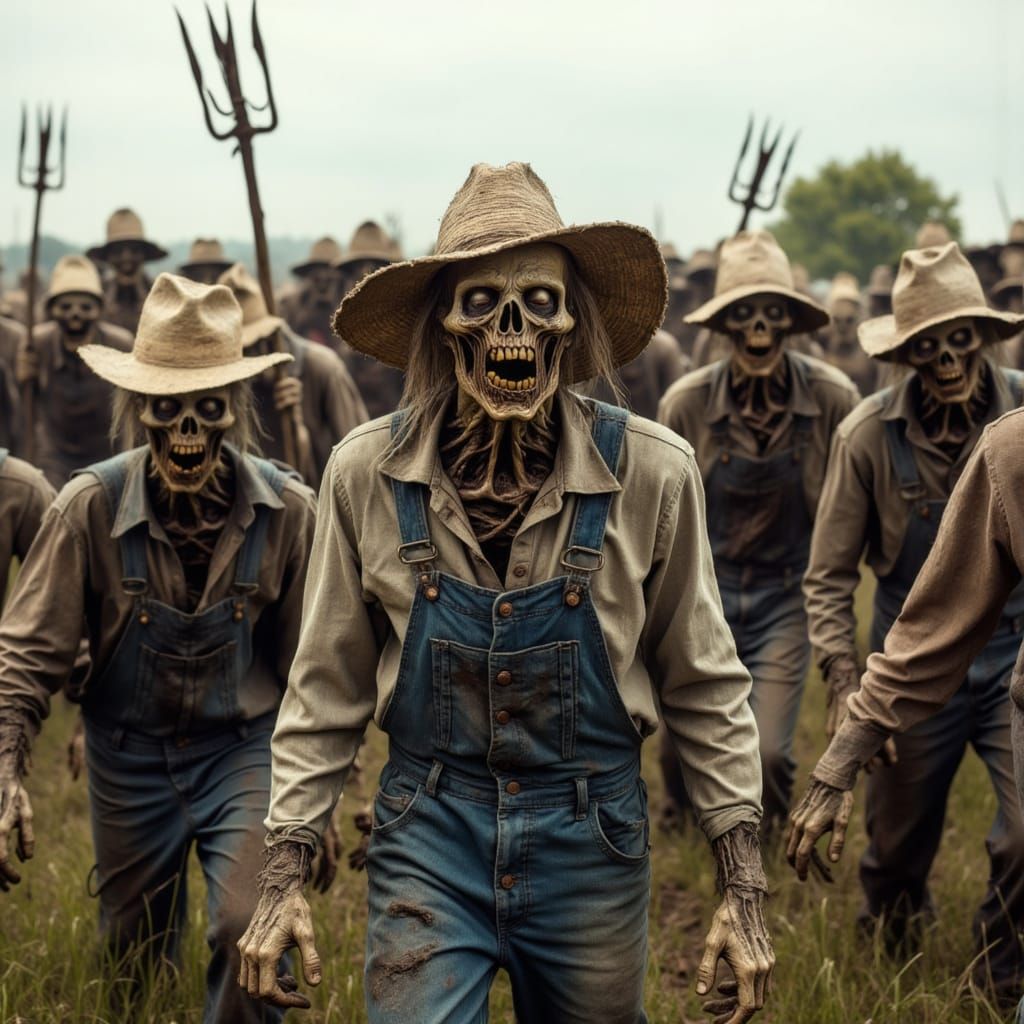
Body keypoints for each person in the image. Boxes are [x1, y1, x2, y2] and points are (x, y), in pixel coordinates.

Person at [237, 161, 774, 1024]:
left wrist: (741, 889)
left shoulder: (653, 473)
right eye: (480, 303)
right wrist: (282, 873)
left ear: (573, 328)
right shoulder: (363, 475)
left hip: (591, 832)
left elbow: (705, 685)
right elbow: (325, 687)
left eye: (540, 302)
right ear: (443, 330)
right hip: (427, 825)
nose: (512, 328)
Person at [0, 273, 322, 1023]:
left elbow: (318, 672)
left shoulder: (289, 512)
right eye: (165, 411)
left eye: (207, 411)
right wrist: (9, 767)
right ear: (137, 413)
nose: (186, 433)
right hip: (128, 752)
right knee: (131, 960)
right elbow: (24, 653)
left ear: (234, 415)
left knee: (251, 927)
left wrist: (319, 808)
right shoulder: (89, 505)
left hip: (243, 750)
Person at [791, 243, 1024, 1010]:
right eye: (928, 344)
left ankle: (1000, 969)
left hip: (1011, 662)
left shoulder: (1018, 425)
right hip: (914, 659)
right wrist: (847, 683)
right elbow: (829, 576)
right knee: (896, 847)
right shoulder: (866, 435)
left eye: (960, 338)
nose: (948, 358)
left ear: (983, 337)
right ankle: (886, 957)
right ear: (906, 352)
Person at [659, 230, 859, 831]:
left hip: (785, 595)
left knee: (768, 751)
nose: (758, 329)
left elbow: (850, 512)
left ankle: (763, 849)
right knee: (676, 748)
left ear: (793, 322)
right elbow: (664, 522)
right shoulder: (686, 404)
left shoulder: (832, 397)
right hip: (706, 595)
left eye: (773, 314)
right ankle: (691, 819)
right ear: (723, 325)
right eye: (743, 315)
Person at [218, 263, 368, 487]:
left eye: (253, 345)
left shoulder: (322, 368)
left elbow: (361, 459)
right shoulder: (223, 382)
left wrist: (299, 426)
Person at [18, 254, 133, 487]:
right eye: (66, 306)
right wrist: (23, 378)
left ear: (99, 310)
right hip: (55, 455)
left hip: (107, 453)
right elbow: (24, 405)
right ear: (52, 310)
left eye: (85, 307)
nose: (75, 315)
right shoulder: (36, 343)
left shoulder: (119, 343)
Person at [332, 221, 406, 417]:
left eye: (374, 269)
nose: (365, 275)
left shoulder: (406, 328)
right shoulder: (340, 327)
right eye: (358, 271)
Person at [87, 208, 168, 333]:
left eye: (134, 251)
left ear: (144, 255)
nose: (126, 259)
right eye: (118, 252)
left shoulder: (163, 294)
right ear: (108, 257)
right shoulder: (95, 294)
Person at [278, 237, 343, 347]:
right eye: (318, 272)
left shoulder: (349, 307)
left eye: (329, 271)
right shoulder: (291, 305)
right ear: (309, 274)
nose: (323, 277)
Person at [820, 273, 876, 396]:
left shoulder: (870, 350)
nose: (843, 327)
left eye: (848, 320)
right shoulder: (821, 344)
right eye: (837, 320)